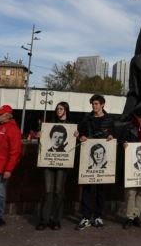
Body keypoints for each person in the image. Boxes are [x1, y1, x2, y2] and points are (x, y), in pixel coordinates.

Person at [77, 94, 115, 231]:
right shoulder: (86, 119)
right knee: (87, 189)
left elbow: (114, 135)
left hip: (104, 161)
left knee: (100, 190)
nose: (94, 106)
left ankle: (98, 216)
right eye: (93, 104)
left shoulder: (110, 119)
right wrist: (80, 137)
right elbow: (79, 134)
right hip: (88, 159)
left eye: (97, 104)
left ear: (103, 105)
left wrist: (111, 136)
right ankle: (86, 216)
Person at [38, 102, 74, 231]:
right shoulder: (49, 124)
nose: (58, 111)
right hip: (48, 162)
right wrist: (39, 137)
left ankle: (56, 220)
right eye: (57, 109)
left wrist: (76, 136)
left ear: (66, 110)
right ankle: (44, 219)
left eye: (61, 109)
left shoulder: (71, 126)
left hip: (63, 164)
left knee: (59, 191)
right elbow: (42, 143)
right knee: (48, 191)